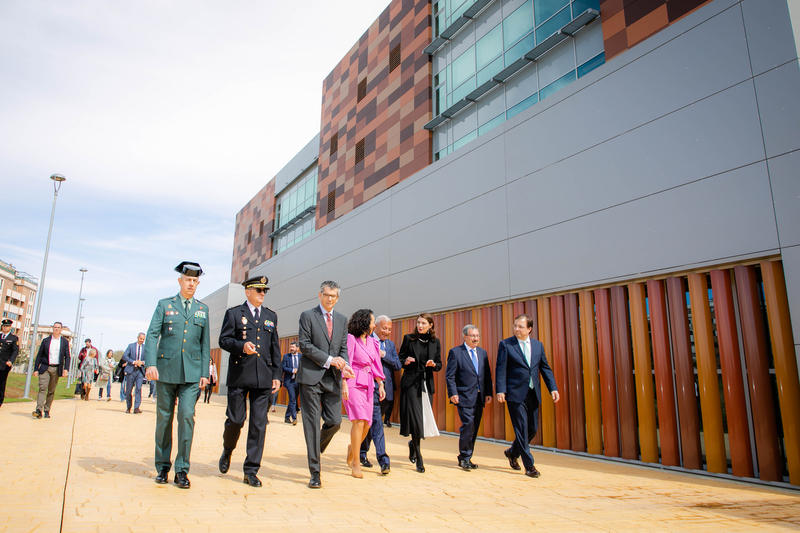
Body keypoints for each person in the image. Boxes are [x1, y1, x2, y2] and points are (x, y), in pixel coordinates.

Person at [144, 261, 210, 489]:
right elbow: (152, 336)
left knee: (186, 417)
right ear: (180, 281)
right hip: (165, 372)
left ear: (198, 283)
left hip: (191, 376)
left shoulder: (203, 309)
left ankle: (182, 470)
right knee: (164, 419)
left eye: (195, 281)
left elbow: (204, 343)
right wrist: (150, 364)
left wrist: (204, 373)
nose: (191, 284)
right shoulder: (165, 305)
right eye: (187, 280)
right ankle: (162, 466)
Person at [217, 275, 281, 488]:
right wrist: (241, 346)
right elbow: (224, 340)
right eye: (258, 290)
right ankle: (228, 450)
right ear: (248, 292)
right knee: (236, 420)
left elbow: (275, 349)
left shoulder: (271, 316)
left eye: (265, 291)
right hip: (239, 376)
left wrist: (276, 376)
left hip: (263, 379)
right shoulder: (234, 313)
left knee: (258, 425)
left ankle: (251, 470)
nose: (262, 294)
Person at [297, 280, 353, 489]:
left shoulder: (342, 319)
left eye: (334, 296)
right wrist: (330, 360)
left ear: (337, 298)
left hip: (333, 379)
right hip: (311, 378)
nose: (330, 299)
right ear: (319, 295)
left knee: (335, 421)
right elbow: (305, 345)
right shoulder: (307, 316)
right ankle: (315, 472)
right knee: (311, 425)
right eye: (327, 295)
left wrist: (344, 365)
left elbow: (343, 347)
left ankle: (314, 450)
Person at [496, 314, 560, 478]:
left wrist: (553, 388)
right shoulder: (506, 344)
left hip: (532, 392)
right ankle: (529, 466)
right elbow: (501, 369)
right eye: (515, 326)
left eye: (520, 326)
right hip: (514, 394)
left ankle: (512, 452)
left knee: (532, 429)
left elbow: (545, 368)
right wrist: (500, 390)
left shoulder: (538, 346)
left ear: (529, 329)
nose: (517, 329)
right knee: (522, 429)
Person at [342, 309, 385, 478]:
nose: (375, 325)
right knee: (358, 421)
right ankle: (356, 463)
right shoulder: (351, 339)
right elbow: (346, 362)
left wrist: (380, 384)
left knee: (367, 424)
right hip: (353, 381)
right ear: (364, 322)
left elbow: (376, 366)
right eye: (373, 321)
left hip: (368, 384)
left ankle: (353, 448)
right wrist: (343, 383)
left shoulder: (373, 343)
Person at [398, 312, 442, 473]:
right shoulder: (409, 338)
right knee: (416, 419)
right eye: (418, 323)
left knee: (422, 420)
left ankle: (412, 445)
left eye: (424, 323)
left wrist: (433, 365)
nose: (420, 326)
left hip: (426, 384)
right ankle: (419, 456)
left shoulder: (435, 342)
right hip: (411, 384)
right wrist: (406, 361)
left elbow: (439, 364)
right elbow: (400, 358)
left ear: (431, 325)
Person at [446, 324, 493, 470]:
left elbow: (486, 375)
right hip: (463, 396)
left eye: (477, 336)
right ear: (465, 336)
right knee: (468, 424)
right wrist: (453, 393)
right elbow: (450, 375)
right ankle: (464, 456)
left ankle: (467, 457)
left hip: (479, 397)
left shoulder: (482, 353)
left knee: (475, 426)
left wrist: (488, 393)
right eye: (472, 336)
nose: (476, 338)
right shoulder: (456, 352)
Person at [359, 314, 400, 473]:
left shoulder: (390, 345)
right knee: (376, 424)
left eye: (389, 329)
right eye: (384, 328)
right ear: (376, 326)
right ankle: (383, 460)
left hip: (386, 391)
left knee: (373, 423)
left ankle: (362, 453)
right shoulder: (367, 340)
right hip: (370, 388)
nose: (387, 331)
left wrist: (384, 355)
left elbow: (397, 365)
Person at [32, 321, 71, 419]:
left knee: (51, 391)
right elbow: (39, 355)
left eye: (58, 327)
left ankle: (46, 410)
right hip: (45, 367)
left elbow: (67, 356)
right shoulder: (46, 341)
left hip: (56, 368)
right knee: (42, 388)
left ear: (61, 330)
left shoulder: (64, 342)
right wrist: (36, 369)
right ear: (52, 329)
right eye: (55, 327)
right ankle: (38, 409)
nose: (56, 329)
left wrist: (66, 369)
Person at [122, 333, 147, 414]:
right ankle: (128, 407)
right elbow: (125, 356)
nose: (142, 340)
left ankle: (136, 408)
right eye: (140, 339)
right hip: (131, 370)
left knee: (138, 389)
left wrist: (142, 362)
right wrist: (133, 362)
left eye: (143, 339)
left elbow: (148, 358)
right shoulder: (131, 346)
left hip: (140, 371)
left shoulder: (145, 347)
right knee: (129, 390)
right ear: (137, 338)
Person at [0, 319, 20, 408]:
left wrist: (11, 361)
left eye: (7, 326)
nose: (5, 327)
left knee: (1, 383)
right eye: (4, 326)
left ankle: (0, 401)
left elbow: (15, 351)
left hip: (4, 364)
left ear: (10, 327)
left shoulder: (14, 338)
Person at [281, 341, 300, 425]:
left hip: (298, 381)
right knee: (292, 398)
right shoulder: (286, 356)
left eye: (293, 347)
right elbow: (283, 367)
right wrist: (292, 370)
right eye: (291, 347)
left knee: (293, 399)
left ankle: (286, 417)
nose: (291, 348)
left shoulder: (301, 357)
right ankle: (294, 418)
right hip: (289, 381)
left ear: (297, 348)